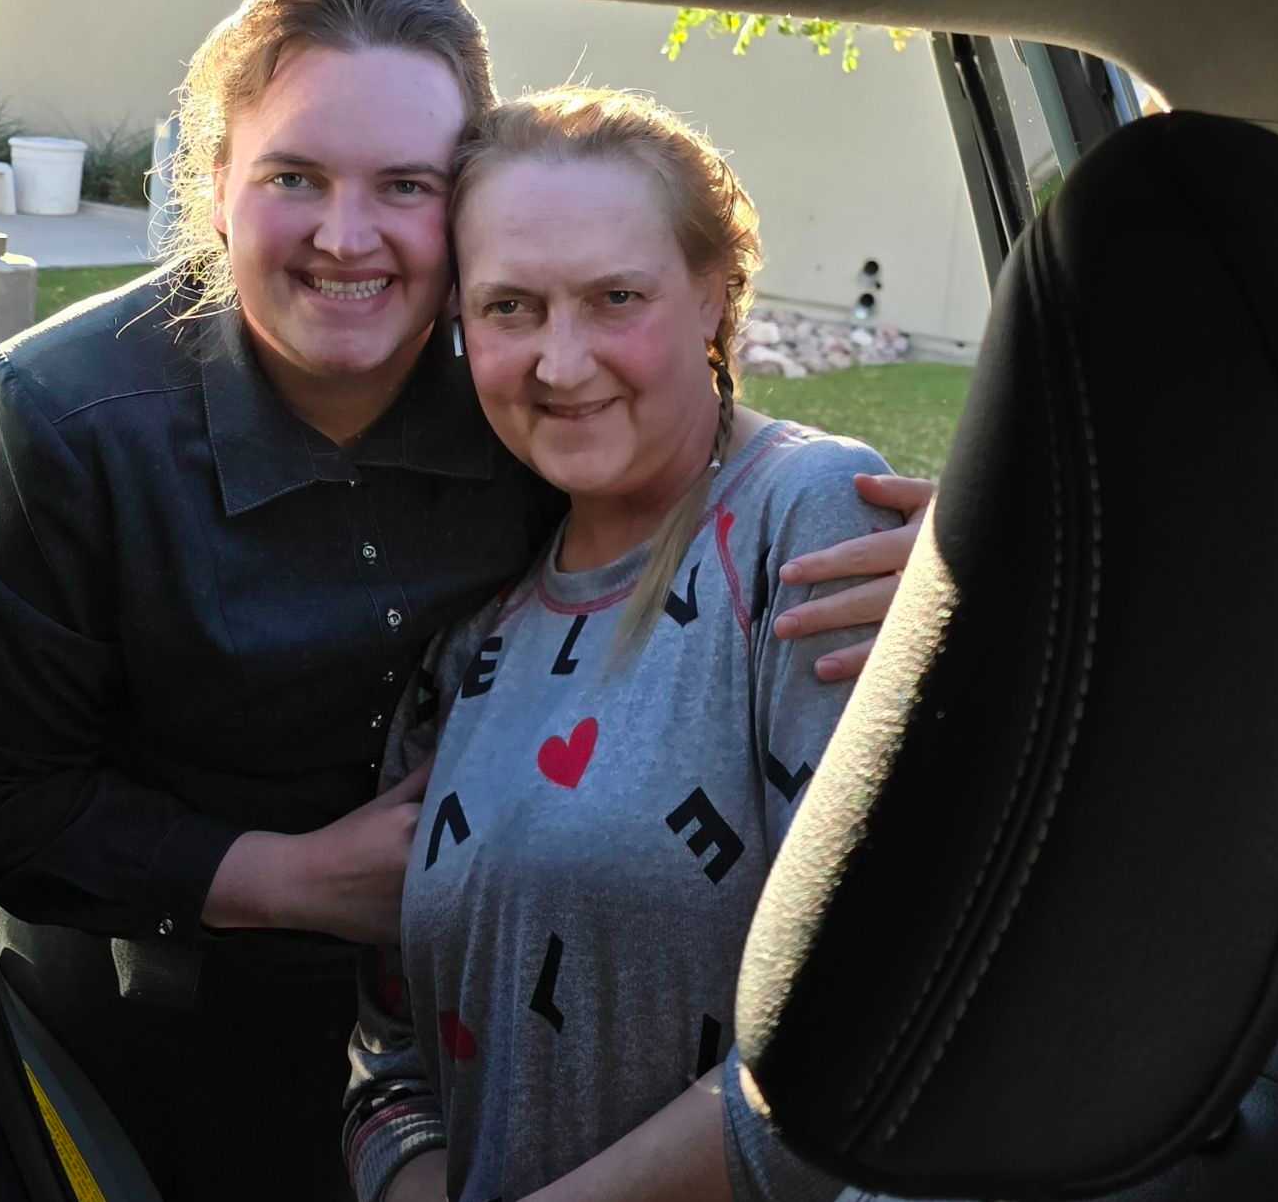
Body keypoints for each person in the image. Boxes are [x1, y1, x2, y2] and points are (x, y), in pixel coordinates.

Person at [0, 0, 928, 1199]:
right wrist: (285, 878)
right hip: (177, 1032)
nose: (348, 237)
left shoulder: (565, 418)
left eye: (405, 185)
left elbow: (877, 988)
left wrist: (968, 564)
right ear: (214, 185)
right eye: (295, 176)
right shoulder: (69, 420)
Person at [344, 88, 890, 1202]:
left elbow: (870, 1014)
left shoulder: (807, 520)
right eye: (511, 307)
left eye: (616, 298)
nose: (561, 361)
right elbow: (388, 1055)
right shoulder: (473, 631)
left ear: (714, 293)